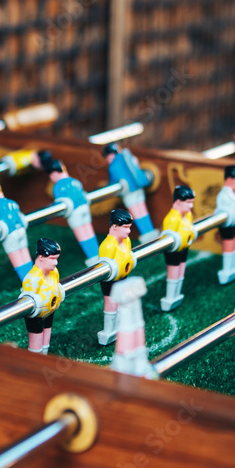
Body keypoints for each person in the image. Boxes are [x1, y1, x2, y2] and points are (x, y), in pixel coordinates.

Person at [96, 209, 137, 346]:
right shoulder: (108, 245)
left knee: (121, 302)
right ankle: (109, 330)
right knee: (111, 303)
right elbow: (106, 267)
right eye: (125, 228)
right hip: (111, 280)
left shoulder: (126, 241)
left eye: (129, 228)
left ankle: (119, 326)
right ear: (114, 227)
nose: (128, 231)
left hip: (123, 275)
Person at [46, 158, 98, 263]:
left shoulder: (58, 186)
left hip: (75, 213)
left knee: (82, 234)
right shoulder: (75, 181)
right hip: (84, 208)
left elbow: (60, 203)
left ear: (54, 174)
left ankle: (93, 256)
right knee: (89, 231)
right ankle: (98, 253)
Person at [103, 143, 157, 242]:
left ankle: (146, 233)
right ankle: (150, 230)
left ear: (109, 155)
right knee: (143, 210)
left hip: (129, 194)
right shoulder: (127, 156)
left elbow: (112, 181)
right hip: (138, 188)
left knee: (136, 213)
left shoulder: (113, 166)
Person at [0, 178, 32, 280]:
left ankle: (28, 284)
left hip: (10, 235)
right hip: (21, 230)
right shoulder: (13, 203)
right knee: (26, 256)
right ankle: (35, 280)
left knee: (17, 260)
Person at [20, 238, 63, 354]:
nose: (55, 263)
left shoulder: (54, 272)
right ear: (41, 257)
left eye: (56, 259)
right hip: (37, 314)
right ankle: (35, 359)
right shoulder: (33, 279)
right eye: (52, 259)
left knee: (46, 338)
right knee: (36, 340)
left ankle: (44, 354)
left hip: (50, 309)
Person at [159, 185, 195, 311]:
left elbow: (190, 227)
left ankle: (177, 294)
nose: (191, 206)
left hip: (185, 246)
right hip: (174, 250)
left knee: (181, 270)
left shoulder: (188, 215)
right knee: (174, 272)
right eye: (188, 202)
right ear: (179, 202)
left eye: (192, 202)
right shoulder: (172, 218)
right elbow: (168, 236)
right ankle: (170, 296)